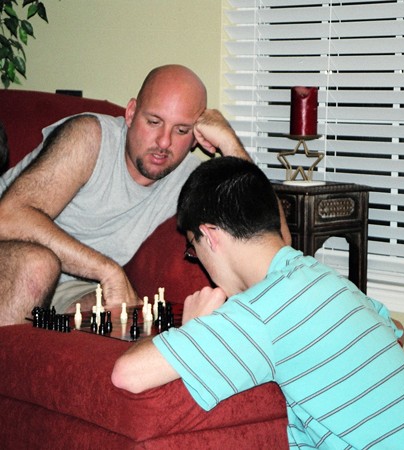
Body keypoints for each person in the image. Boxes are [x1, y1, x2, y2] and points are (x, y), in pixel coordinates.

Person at [112, 157, 404, 449]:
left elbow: (128, 374)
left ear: (210, 236)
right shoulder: (323, 278)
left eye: (193, 248)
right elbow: (397, 332)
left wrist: (195, 327)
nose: (198, 262)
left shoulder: (261, 311)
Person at [0, 64, 274, 326]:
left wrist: (228, 141)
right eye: (154, 121)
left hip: (71, 286)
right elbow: (8, 217)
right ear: (131, 113)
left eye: (181, 130)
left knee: (122, 315)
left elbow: (267, 243)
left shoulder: (190, 179)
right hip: (12, 258)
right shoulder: (90, 137)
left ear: (196, 137)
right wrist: (107, 271)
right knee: (38, 266)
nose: (164, 142)